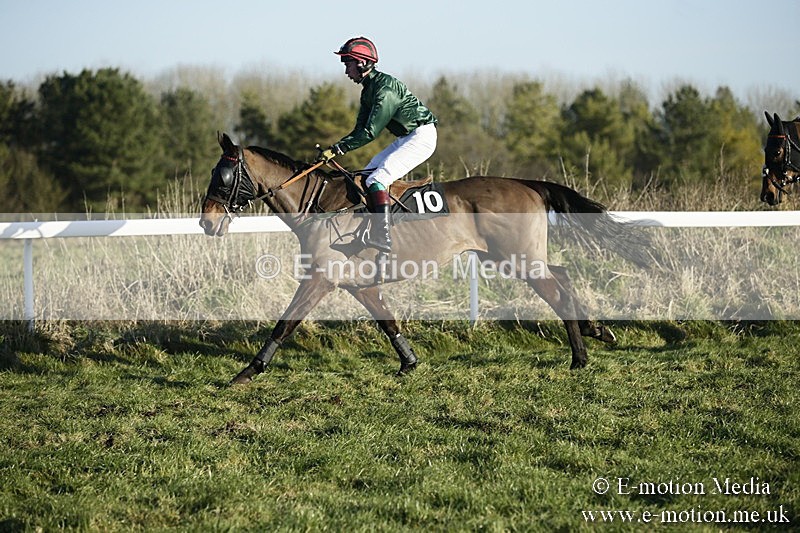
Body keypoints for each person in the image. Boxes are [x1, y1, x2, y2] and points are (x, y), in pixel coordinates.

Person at [318, 36, 438, 253]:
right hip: (406, 137)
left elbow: (369, 132)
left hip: (422, 137)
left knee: (378, 178)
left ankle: (382, 236)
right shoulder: (369, 89)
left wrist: (338, 149)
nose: (346, 71)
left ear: (362, 63)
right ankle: (369, 229)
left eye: (348, 64)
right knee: (366, 175)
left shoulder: (385, 89)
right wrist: (337, 147)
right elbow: (358, 130)